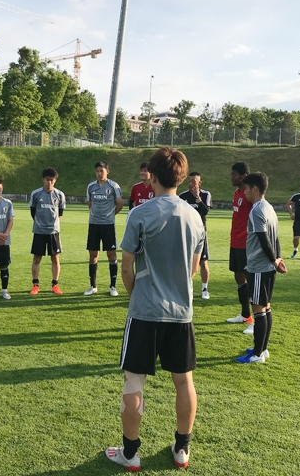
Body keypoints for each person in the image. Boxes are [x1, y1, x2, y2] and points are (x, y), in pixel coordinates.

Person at [105, 147, 204, 471]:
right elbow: (192, 269)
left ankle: (130, 454)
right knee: (184, 380)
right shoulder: (194, 217)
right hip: (181, 314)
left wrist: (137, 297)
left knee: (134, 381)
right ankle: (182, 449)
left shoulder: (140, 214)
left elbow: (126, 267)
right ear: (180, 176)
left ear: (155, 176)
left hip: (146, 311)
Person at [235, 172, 287, 364]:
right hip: (267, 266)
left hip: (259, 266)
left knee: (258, 309)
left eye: (247, 189)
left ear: (255, 189)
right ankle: (262, 349)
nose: (245, 193)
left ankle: (257, 354)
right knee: (266, 307)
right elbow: (276, 238)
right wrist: (278, 258)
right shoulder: (269, 208)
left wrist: (274, 260)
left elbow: (264, 239)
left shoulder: (256, 210)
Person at [84, 161, 123, 297]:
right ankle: (93, 286)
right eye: (97, 171)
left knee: (111, 254)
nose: (100, 173)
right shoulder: (91, 186)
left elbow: (119, 204)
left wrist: (109, 216)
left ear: (107, 171)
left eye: (102, 170)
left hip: (108, 225)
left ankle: (112, 286)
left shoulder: (113, 186)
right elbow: (90, 204)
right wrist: (97, 215)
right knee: (93, 255)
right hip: (94, 224)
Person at [28, 168, 66, 295]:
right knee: (37, 258)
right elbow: (33, 212)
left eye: (52, 180)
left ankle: (55, 285)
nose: (49, 182)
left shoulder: (60, 195)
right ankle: (35, 285)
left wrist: (52, 224)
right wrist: (41, 223)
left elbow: (60, 212)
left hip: (53, 232)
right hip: (39, 231)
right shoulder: (36, 194)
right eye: (47, 180)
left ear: (55, 181)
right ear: (43, 179)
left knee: (55, 258)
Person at [226, 162, 254, 328]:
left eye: (234, 174)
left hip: (246, 243)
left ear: (243, 176)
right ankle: (245, 315)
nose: (231, 178)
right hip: (234, 241)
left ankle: (257, 319)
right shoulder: (237, 193)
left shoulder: (250, 194)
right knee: (238, 276)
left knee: (250, 279)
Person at [179, 172, 212, 299]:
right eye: (189, 181)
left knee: (203, 262)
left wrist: (198, 198)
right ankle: (186, 286)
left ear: (199, 182)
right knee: (185, 261)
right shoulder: (182, 196)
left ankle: (204, 288)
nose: (191, 183)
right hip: (186, 233)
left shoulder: (205, 194)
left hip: (200, 234)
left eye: (194, 181)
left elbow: (206, 211)